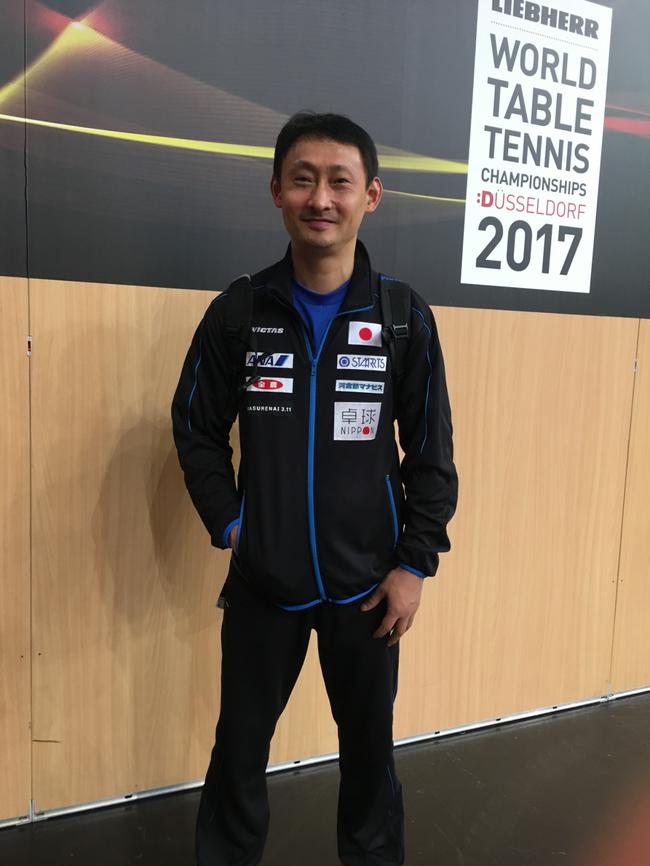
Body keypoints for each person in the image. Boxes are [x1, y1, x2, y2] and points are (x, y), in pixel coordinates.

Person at [171, 111, 458, 866]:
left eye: (339, 181)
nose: (321, 198)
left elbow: (431, 455)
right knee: (239, 751)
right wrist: (232, 525)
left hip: (369, 587)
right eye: (303, 179)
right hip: (264, 584)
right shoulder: (239, 312)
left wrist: (414, 565)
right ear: (277, 190)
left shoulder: (402, 317)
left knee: (369, 753)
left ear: (372, 195)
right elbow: (196, 428)